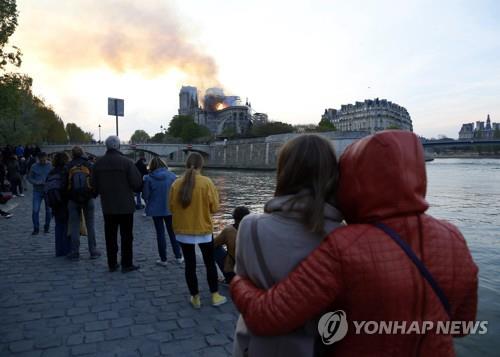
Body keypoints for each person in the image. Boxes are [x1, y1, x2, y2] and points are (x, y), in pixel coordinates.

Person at [230, 131, 479, 357]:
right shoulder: (453, 236)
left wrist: (238, 284)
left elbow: (269, 315)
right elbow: (462, 324)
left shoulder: (347, 245)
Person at [232, 134, 343, 357]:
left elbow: (243, 283)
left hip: (257, 346)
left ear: (283, 172)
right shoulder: (346, 237)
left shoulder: (250, 227)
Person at [169, 152, 227, 308]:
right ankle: (215, 295)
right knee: (209, 263)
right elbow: (214, 208)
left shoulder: (176, 184)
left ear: (186, 164)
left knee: (190, 265)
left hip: (183, 231)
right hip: (203, 231)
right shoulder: (207, 183)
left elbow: (171, 207)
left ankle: (195, 298)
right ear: (202, 165)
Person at [92, 136, 142, 273]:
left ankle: (112, 264)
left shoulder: (98, 164)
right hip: (126, 206)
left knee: (110, 236)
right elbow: (137, 184)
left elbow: (93, 188)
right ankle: (126, 264)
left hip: (108, 206)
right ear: (118, 146)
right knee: (127, 236)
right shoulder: (127, 163)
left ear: (106, 147)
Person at [142, 156, 183, 266]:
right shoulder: (173, 177)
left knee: (160, 233)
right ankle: (178, 256)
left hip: (156, 210)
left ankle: (163, 259)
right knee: (173, 233)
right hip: (170, 209)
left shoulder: (148, 178)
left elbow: (145, 195)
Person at [66, 146, 100, 260]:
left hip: (73, 199)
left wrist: (68, 196)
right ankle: (93, 251)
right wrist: (93, 194)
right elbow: (95, 181)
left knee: (74, 226)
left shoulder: (69, 166)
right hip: (87, 198)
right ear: (82, 153)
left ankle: (75, 252)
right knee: (91, 225)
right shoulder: (89, 165)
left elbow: (64, 183)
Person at [213, 206, 250, 284]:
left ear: (234, 217)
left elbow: (212, 245)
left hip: (233, 273)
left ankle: (225, 277)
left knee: (215, 248)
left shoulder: (229, 230)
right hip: (251, 273)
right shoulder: (254, 229)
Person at [46, 152, 71, 257]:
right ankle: (67, 249)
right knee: (67, 226)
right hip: (65, 201)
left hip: (54, 202)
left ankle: (59, 250)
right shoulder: (66, 171)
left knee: (58, 226)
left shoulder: (51, 172)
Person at [27, 152, 52, 235]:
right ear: (38, 159)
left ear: (47, 158)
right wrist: (37, 182)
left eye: (44, 160)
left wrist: (49, 183)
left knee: (49, 211)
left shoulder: (50, 166)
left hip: (48, 191)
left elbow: (54, 177)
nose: (43, 162)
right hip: (37, 191)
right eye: (41, 160)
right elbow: (29, 178)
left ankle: (46, 227)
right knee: (35, 210)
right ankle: (36, 228)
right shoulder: (34, 166)